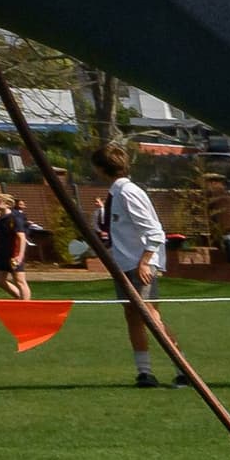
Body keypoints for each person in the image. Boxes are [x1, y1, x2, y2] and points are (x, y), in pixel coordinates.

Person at [89, 139, 172, 388]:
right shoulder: (115, 194)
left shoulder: (128, 192)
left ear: (102, 168)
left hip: (139, 265)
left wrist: (145, 262)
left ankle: (183, 369)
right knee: (132, 317)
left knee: (151, 317)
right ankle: (144, 372)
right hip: (123, 265)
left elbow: (155, 231)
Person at [0, 189, 40, 297]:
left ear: (7, 204)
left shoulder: (14, 218)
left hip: (14, 252)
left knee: (19, 280)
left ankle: (26, 306)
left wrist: (19, 256)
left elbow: (21, 237)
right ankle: (19, 298)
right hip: (2, 253)